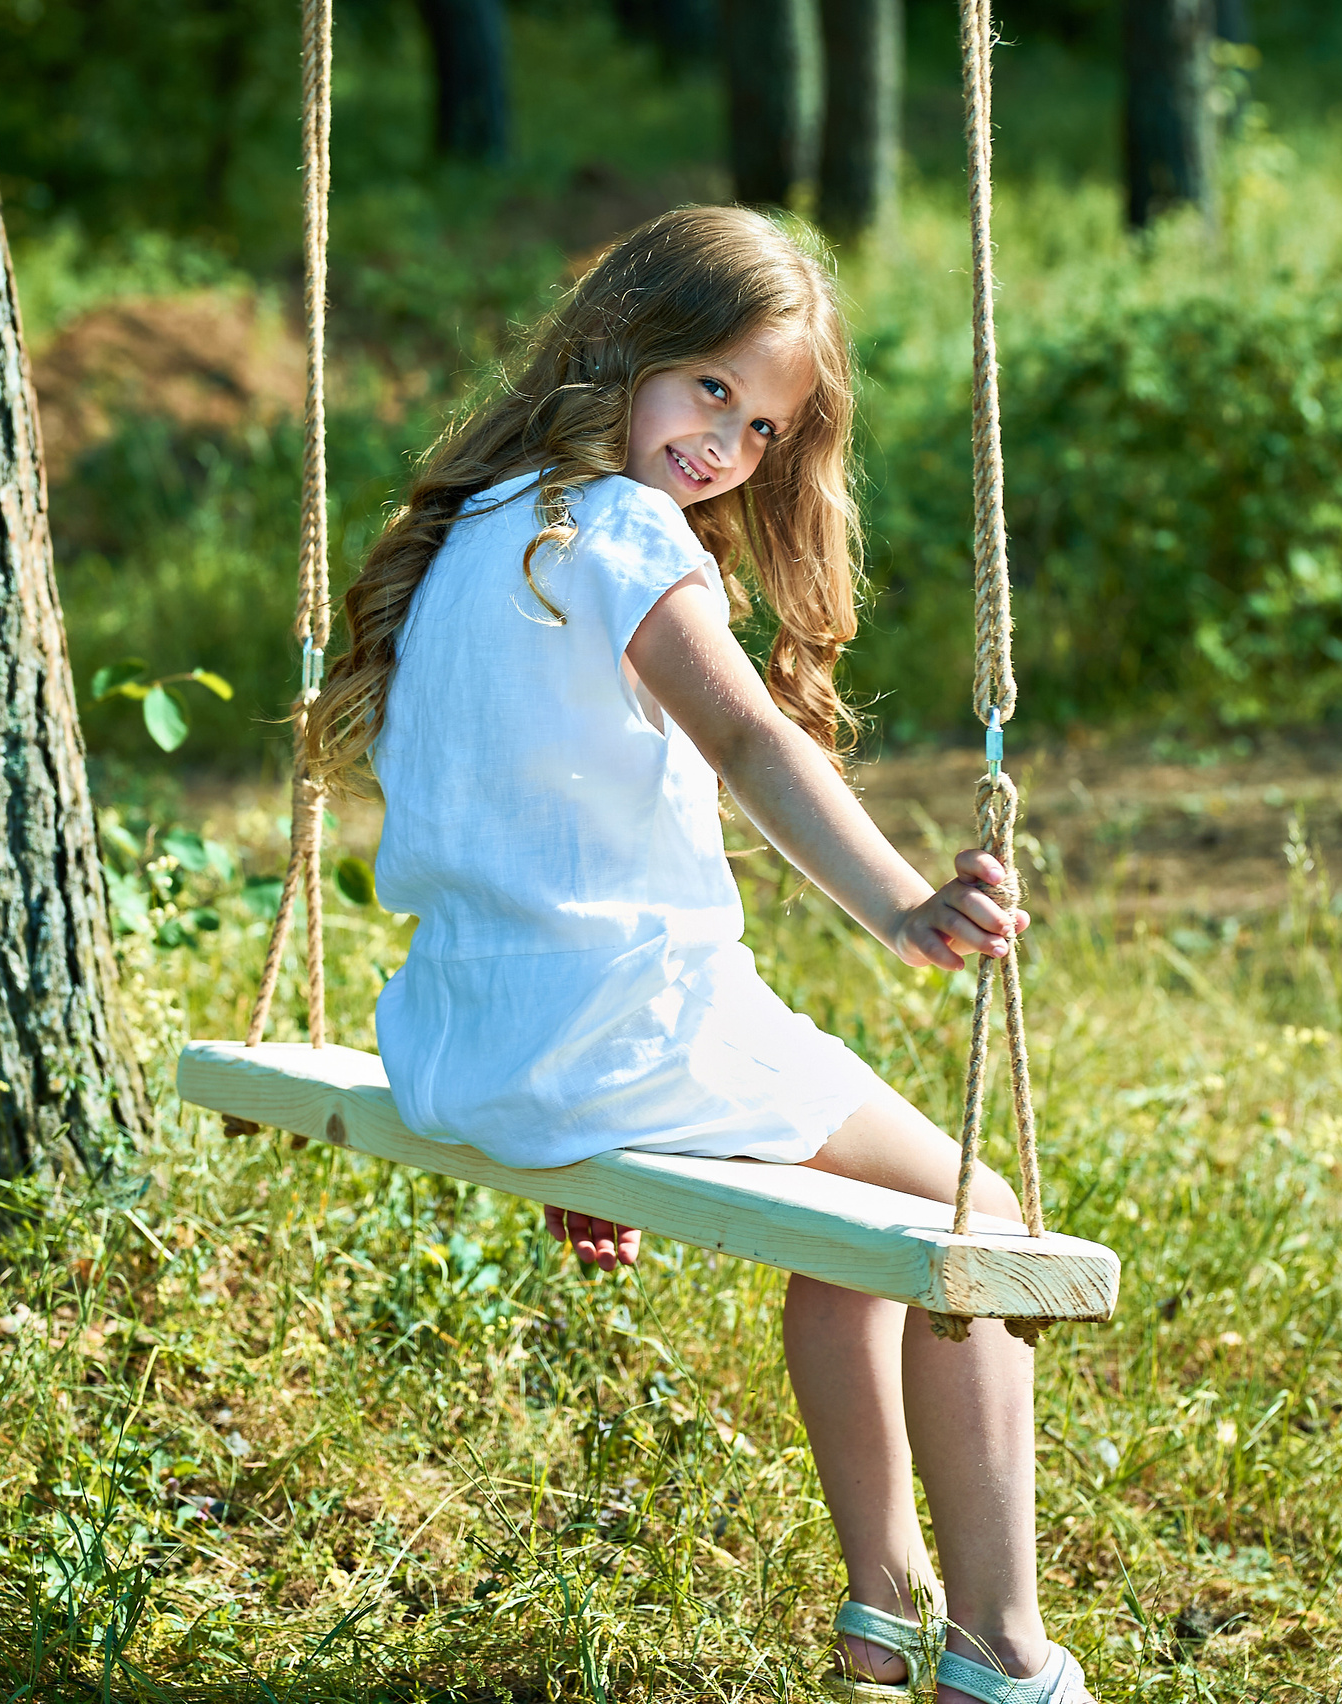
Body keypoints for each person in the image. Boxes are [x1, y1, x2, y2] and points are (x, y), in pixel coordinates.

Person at [310, 205, 1094, 1704]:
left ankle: (884, 1608)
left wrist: (569, 1126)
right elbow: (743, 732)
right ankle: (1001, 1651)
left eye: (767, 423)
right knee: (976, 1225)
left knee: (851, 1231)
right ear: (624, 347)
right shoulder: (618, 531)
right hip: (622, 1029)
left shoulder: (481, 527)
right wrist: (903, 905)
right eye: (711, 388)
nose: (729, 440)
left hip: (471, 1040)